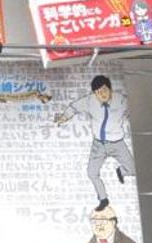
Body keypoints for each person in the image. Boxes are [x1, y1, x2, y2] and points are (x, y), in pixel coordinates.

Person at [53, 74, 136, 211]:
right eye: (97, 92)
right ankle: (103, 199)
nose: (101, 94)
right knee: (91, 172)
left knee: (133, 169)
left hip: (117, 143)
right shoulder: (90, 100)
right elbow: (74, 107)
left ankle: (121, 171)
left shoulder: (121, 100)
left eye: (104, 90)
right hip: (98, 145)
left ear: (110, 89)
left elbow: (135, 106)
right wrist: (63, 117)